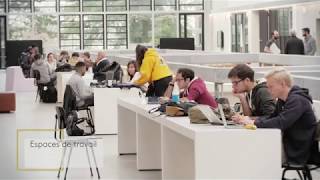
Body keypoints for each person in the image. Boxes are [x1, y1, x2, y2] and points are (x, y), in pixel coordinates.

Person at [233, 68, 317, 165]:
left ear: (282, 84)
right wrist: (249, 120)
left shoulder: (297, 100)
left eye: (271, 87)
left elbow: (281, 122)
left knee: (253, 153)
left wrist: (254, 122)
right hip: (289, 145)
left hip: (298, 151)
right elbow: (272, 117)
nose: (268, 90)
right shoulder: (283, 100)